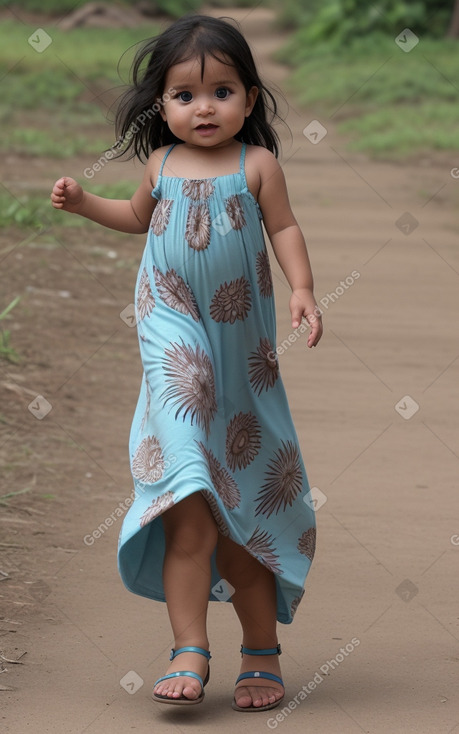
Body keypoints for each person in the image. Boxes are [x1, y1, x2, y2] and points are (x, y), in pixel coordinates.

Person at [51, 14, 322, 712]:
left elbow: (285, 227)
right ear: (161, 107)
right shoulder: (161, 165)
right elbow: (138, 218)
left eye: (222, 91)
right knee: (185, 498)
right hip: (172, 331)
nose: (203, 107)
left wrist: (301, 289)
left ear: (249, 101)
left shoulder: (255, 167)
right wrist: (85, 204)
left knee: (237, 508)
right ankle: (188, 647)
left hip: (241, 358)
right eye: (183, 96)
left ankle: (259, 650)